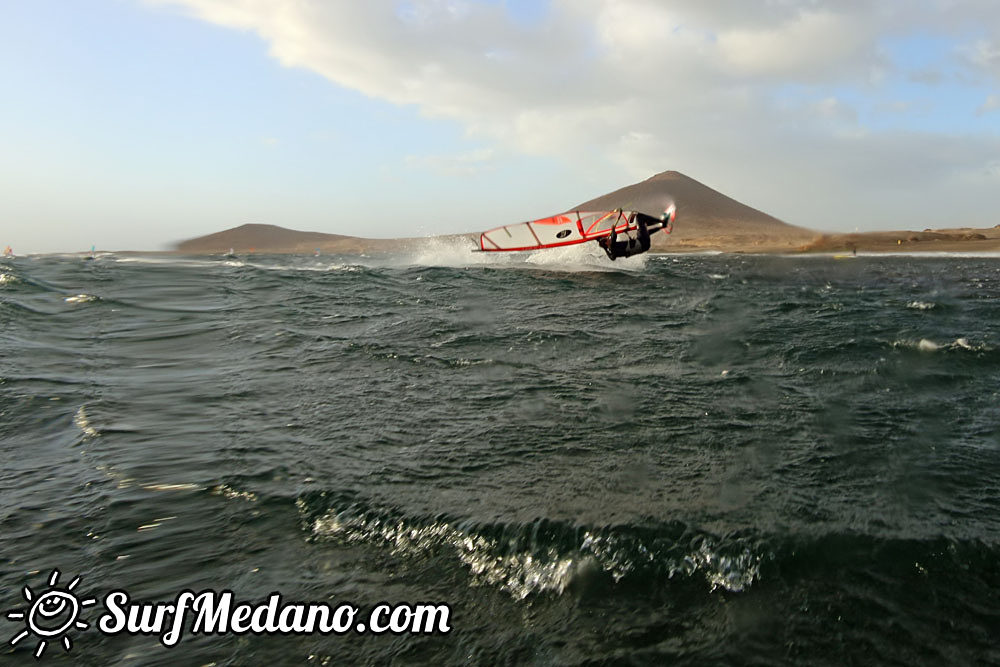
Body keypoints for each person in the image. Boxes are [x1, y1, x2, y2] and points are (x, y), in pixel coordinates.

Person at [598, 211, 667, 261]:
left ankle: (662, 227)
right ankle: (662, 221)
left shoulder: (612, 251)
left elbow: (612, 258)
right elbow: (614, 236)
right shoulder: (612, 246)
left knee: (645, 232)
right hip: (642, 243)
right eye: (607, 239)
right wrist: (613, 229)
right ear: (606, 243)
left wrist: (604, 247)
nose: (608, 238)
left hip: (642, 245)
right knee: (639, 217)